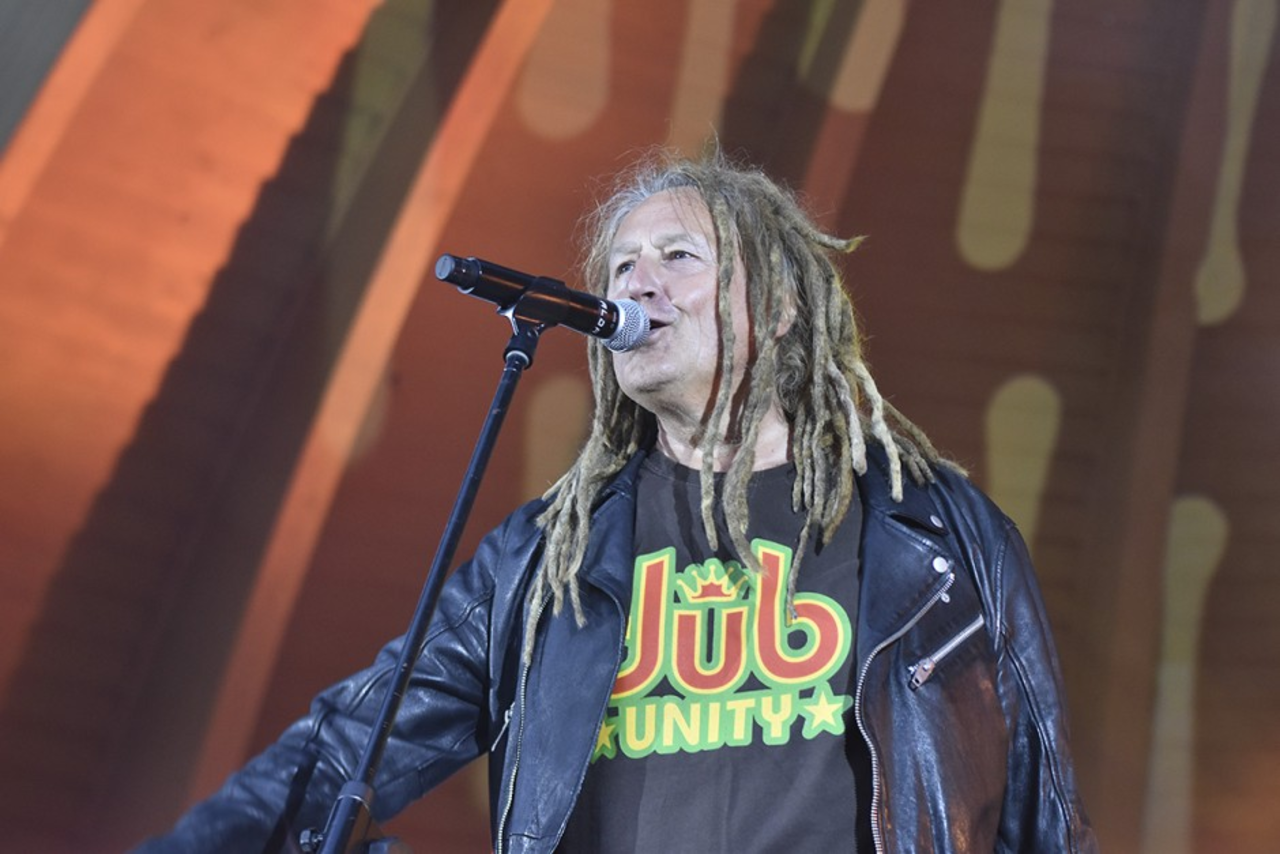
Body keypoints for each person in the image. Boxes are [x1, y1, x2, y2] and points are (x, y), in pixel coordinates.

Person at [139, 151, 1097, 852]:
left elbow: (1043, 810)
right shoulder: (544, 558)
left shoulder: (937, 538)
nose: (638, 282)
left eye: (678, 254)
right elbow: (351, 747)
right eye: (622, 265)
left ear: (781, 305)